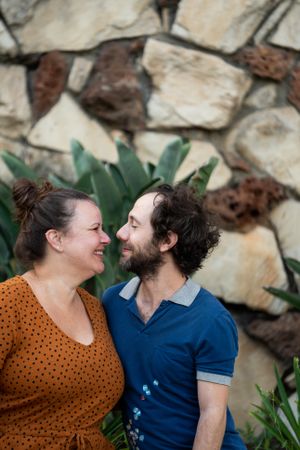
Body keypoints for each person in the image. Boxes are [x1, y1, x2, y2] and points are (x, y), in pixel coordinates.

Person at [103, 183, 246, 450]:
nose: (121, 233)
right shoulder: (112, 302)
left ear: (167, 240)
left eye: (134, 225)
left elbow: (212, 415)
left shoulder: (210, 320)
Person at [0, 178, 124, 449]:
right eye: (95, 229)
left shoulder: (94, 308)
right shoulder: (7, 303)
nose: (106, 238)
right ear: (56, 238)